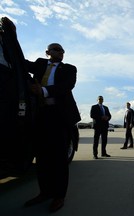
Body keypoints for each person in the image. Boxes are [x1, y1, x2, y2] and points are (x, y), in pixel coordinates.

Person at [24, 42, 81, 213]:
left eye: (62, 50)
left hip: (60, 116)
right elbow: (21, 61)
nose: (61, 52)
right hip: (41, 115)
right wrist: (11, 35)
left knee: (59, 158)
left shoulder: (69, 69)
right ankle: (45, 192)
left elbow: (66, 86)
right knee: (42, 157)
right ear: (47, 52)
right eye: (56, 49)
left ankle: (59, 196)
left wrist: (43, 91)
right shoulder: (40, 64)